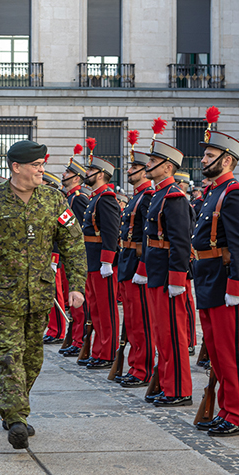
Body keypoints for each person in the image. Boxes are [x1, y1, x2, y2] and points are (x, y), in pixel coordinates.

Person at [0, 140, 86, 449]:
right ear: (16, 167)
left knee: (31, 360)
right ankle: (17, 419)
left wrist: (76, 285)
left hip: (39, 296)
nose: (41, 171)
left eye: (42, 165)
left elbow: (73, 244)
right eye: (36, 166)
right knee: (8, 357)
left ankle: (13, 408)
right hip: (1, 297)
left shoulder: (54, 200)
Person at [190, 110, 239, 437]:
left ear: (227, 160)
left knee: (233, 353)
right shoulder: (213, 192)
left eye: (210, 154)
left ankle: (237, 415)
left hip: (226, 282)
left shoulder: (235, 193)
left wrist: (237, 285)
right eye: (205, 153)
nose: (203, 158)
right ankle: (225, 409)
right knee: (217, 352)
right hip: (208, 278)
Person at [136, 121, 193, 406]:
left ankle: (179, 389)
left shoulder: (175, 198)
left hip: (169, 276)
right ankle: (168, 383)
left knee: (173, 335)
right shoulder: (159, 194)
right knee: (162, 334)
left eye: (154, 161)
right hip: (157, 273)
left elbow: (181, 242)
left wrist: (177, 279)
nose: (149, 165)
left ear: (168, 167)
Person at [114, 139, 154, 387]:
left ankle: (143, 368)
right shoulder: (136, 197)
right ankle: (135, 365)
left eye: (133, 167)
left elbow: (149, 237)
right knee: (131, 319)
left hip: (138, 262)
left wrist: (143, 268)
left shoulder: (147, 196)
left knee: (141, 321)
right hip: (128, 260)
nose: (128, 171)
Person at [78, 154, 121, 370]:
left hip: (102, 263)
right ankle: (98, 350)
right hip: (91, 260)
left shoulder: (107, 199)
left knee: (106, 310)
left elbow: (111, 233)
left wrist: (107, 261)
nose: (86, 174)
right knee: (95, 309)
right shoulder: (95, 198)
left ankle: (107, 352)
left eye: (90, 171)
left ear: (101, 174)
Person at [55, 156, 91, 353]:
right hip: (66, 256)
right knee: (73, 304)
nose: (64, 175)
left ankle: (80, 341)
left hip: (76, 256)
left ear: (77, 178)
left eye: (68, 173)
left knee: (78, 304)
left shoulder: (79, 199)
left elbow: (79, 232)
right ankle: (75, 339)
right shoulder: (68, 198)